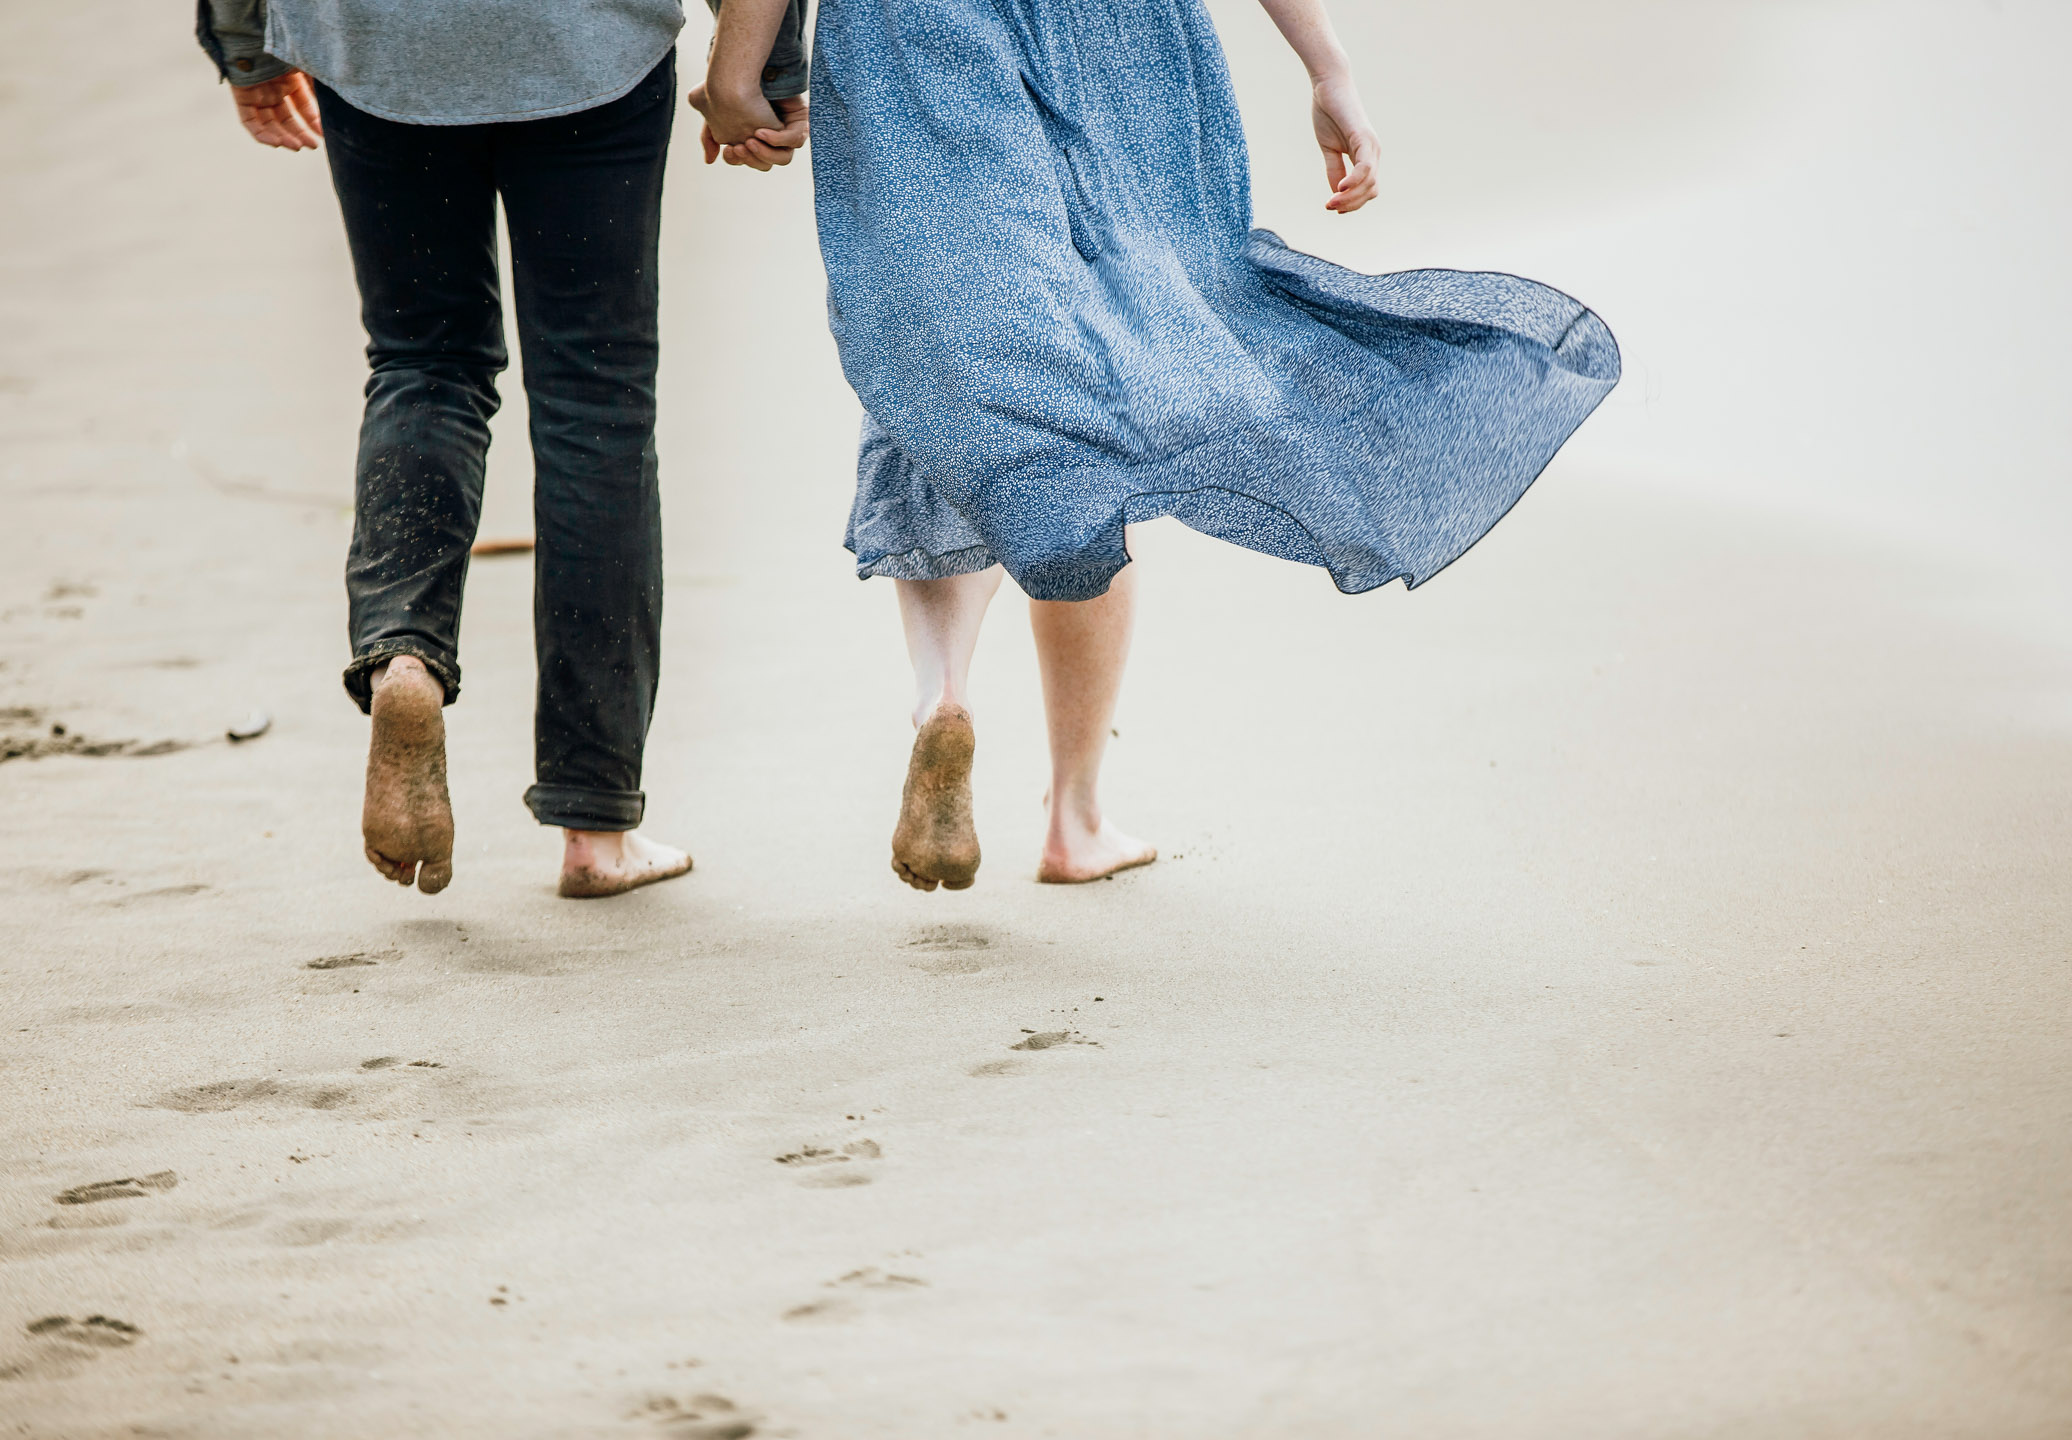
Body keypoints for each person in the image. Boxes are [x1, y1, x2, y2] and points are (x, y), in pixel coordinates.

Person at [692, 0, 1621, 891]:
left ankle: (942, 693)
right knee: (1105, 395)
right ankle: (1077, 819)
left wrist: (740, 73)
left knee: (949, 374)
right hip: (1123, 43)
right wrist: (1328, 68)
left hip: (913, 32)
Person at [196, 0, 808, 898]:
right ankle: (594, 824)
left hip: (379, 50)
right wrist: (762, 67)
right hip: (586, 46)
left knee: (423, 362)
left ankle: (404, 651)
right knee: (596, 405)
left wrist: (248, 45)